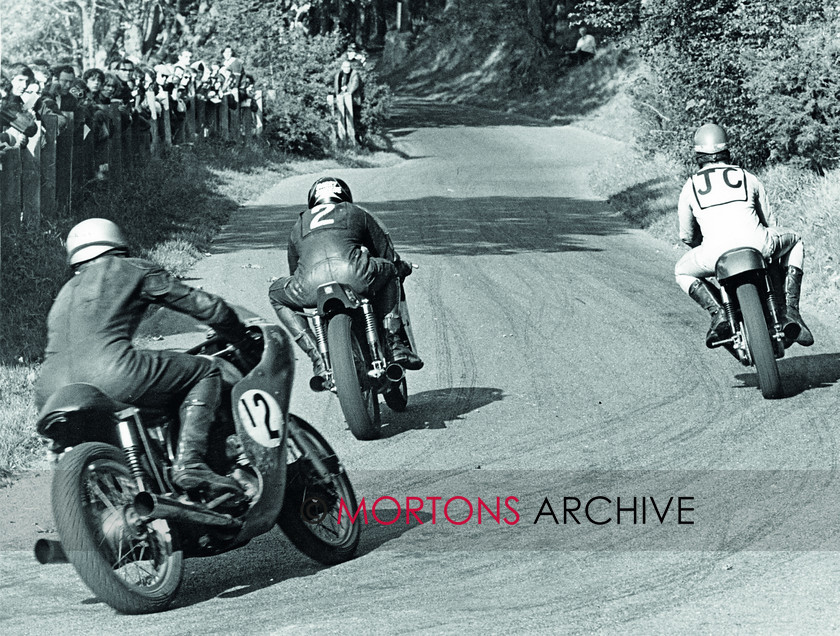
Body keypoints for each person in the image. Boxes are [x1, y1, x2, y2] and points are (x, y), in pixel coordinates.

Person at [35, 218, 252, 498]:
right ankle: (190, 463)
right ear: (118, 245)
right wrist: (241, 339)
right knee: (205, 371)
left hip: (50, 394)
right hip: (112, 374)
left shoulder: (63, 294)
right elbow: (210, 310)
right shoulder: (130, 268)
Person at [269, 177, 423, 387]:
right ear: (345, 197)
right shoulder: (357, 212)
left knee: (275, 294)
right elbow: (387, 254)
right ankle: (394, 342)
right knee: (390, 269)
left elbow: (293, 269)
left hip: (309, 286)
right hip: (355, 276)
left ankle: (318, 359)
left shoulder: (299, 223)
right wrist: (401, 267)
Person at [675, 123, 814, 348]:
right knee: (796, 240)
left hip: (714, 254)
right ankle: (790, 311)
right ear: (727, 151)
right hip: (758, 245)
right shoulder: (746, 177)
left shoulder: (690, 187)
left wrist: (700, 244)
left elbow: (687, 235)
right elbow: (770, 221)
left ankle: (719, 314)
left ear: (698, 155)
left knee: (681, 271)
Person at [333, 60, 364, 144]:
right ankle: (342, 138)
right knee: (341, 118)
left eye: (349, 67)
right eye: (345, 67)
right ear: (342, 67)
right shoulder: (338, 75)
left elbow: (355, 84)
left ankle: (354, 139)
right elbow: (336, 86)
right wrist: (338, 94)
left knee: (352, 120)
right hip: (341, 99)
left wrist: (348, 91)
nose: (347, 69)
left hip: (353, 101)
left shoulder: (354, 74)